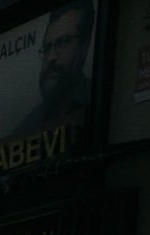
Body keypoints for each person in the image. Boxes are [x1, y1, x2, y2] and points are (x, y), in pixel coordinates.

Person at [15, 3, 94, 136]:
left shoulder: (96, 96)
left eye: (63, 42)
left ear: (84, 47)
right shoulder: (27, 127)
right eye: (47, 47)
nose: (51, 57)